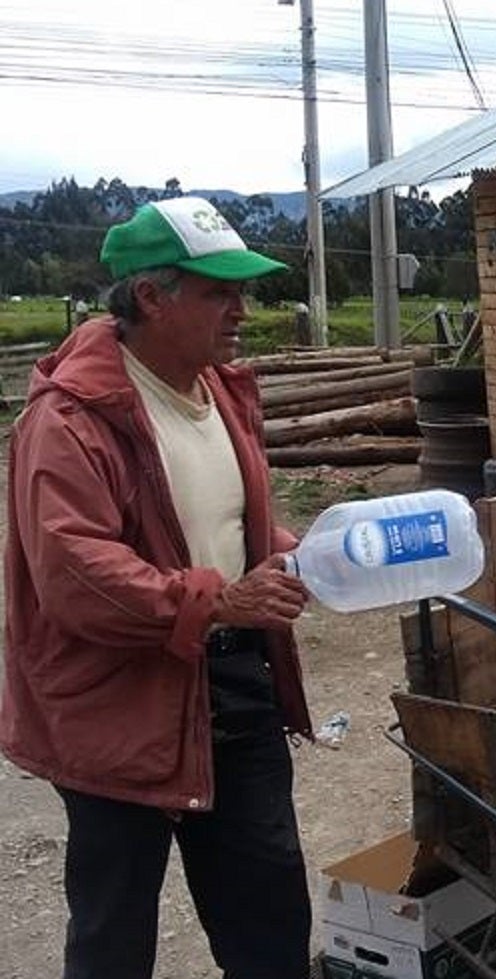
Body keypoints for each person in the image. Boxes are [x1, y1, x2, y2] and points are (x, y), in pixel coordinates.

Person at [1, 197, 314, 979]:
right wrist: (219, 601)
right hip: (120, 703)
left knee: (269, 911)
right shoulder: (70, 419)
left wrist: (304, 552)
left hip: (234, 683)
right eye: (219, 291)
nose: (242, 309)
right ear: (152, 297)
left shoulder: (221, 391)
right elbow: (77, 575)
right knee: (114, 932)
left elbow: (218, 525)